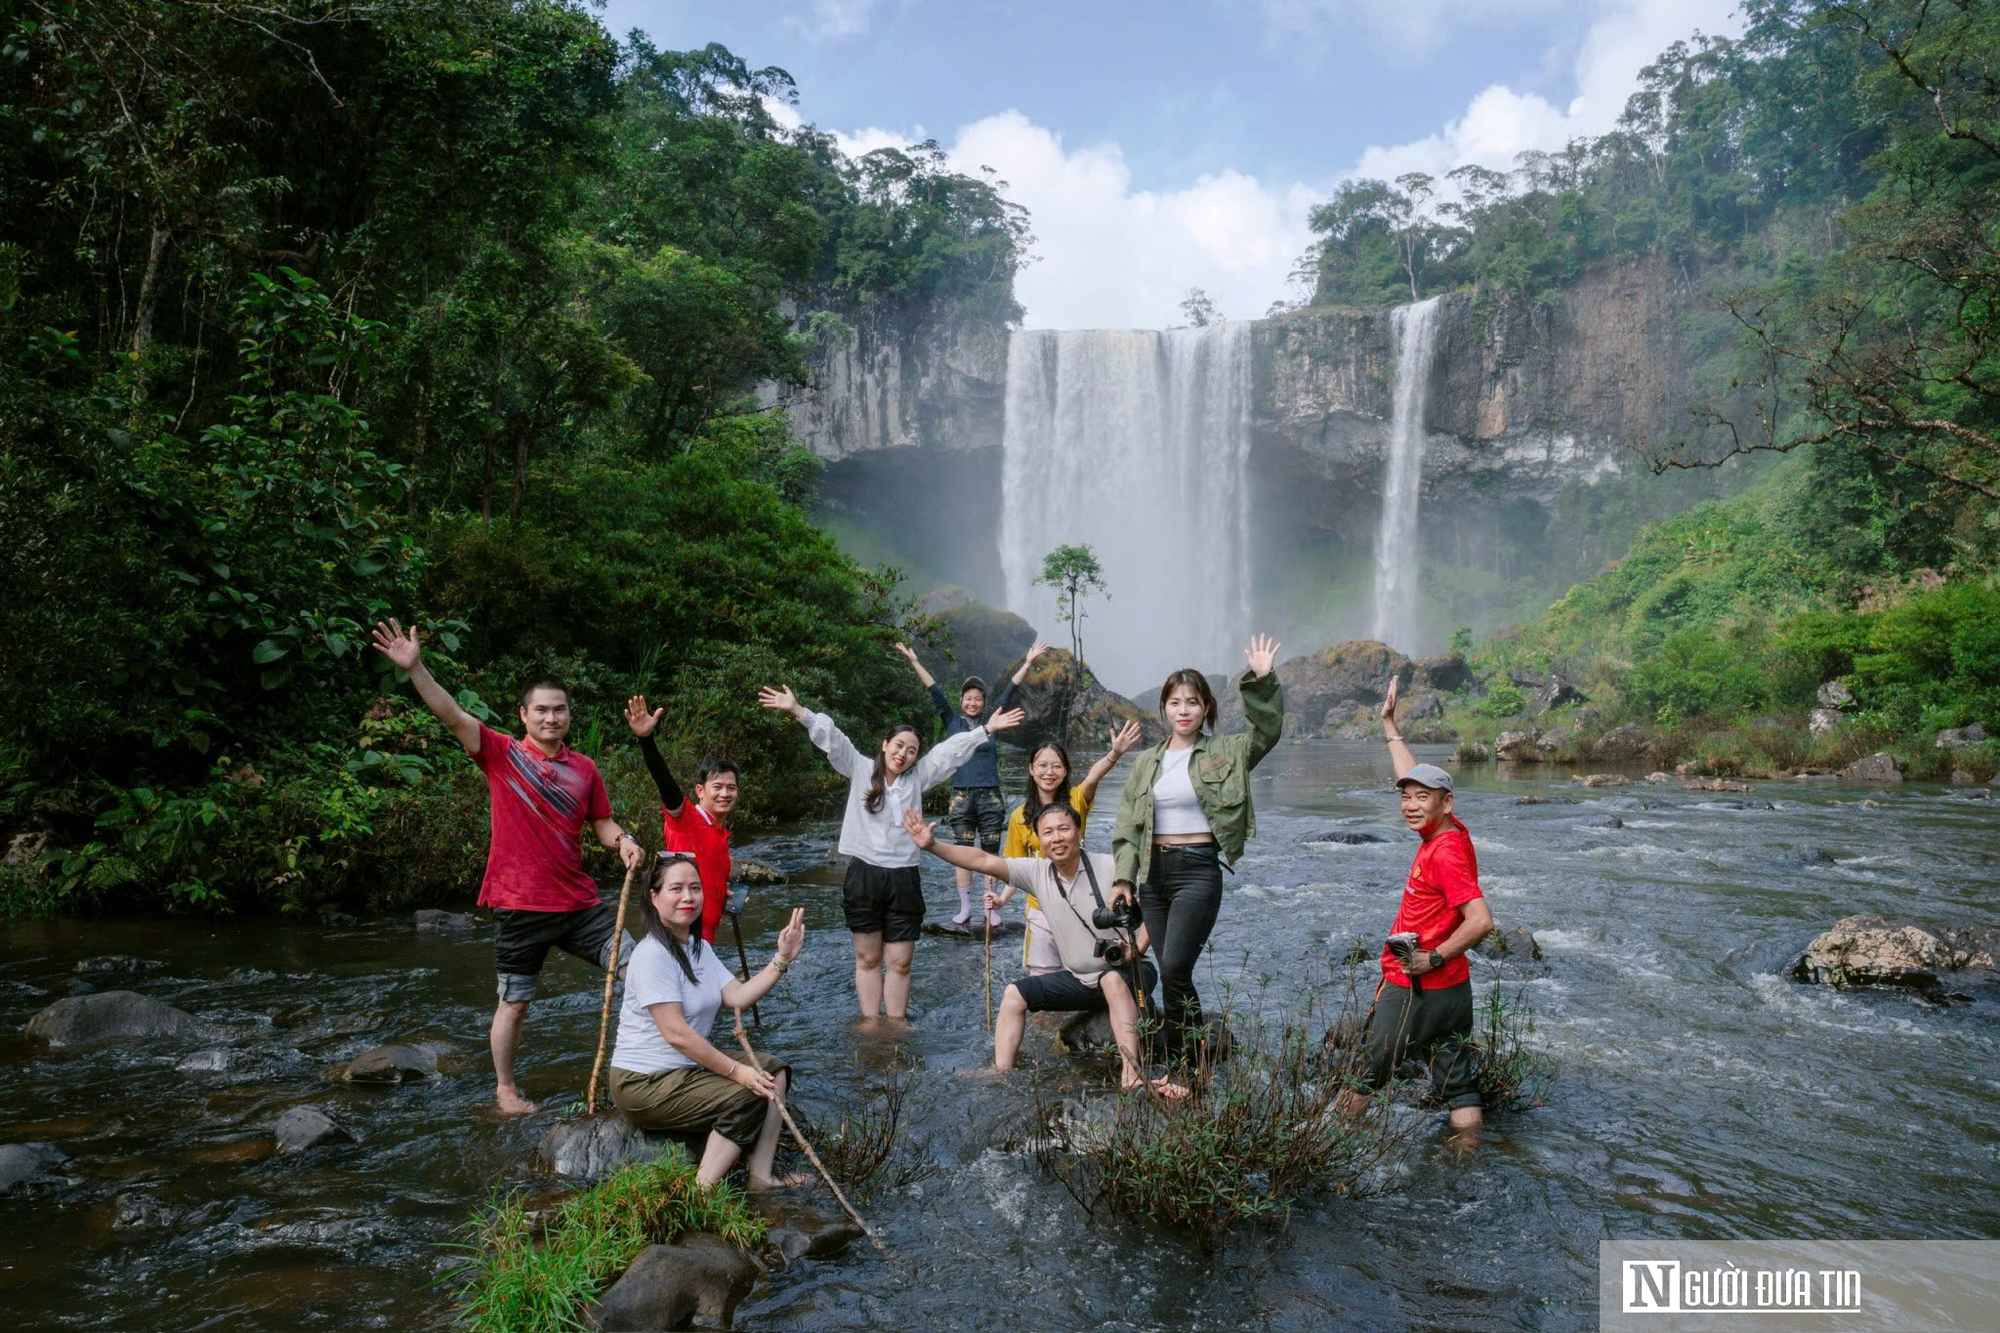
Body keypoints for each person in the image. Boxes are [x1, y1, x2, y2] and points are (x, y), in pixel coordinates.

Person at [370, 619, 647, 1115]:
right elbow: (452, 715)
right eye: (541, 710)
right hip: (520, 905)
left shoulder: (584, 768)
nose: (551, 717)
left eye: (559, 710)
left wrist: (623, 840)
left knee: (641, 970)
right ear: (523, 715)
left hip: (580, 905)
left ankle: (652, 1066)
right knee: (515, 1004)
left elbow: (601, 822)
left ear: (568, 715)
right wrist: (415, 669)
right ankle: (505, 1091)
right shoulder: (501, 754)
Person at [757, 682, 1023, 1020]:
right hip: (864, 875)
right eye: (899, 745)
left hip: (903, 879)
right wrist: (798, 710)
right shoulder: (860, 768)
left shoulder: (919, 778)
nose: (904, 754)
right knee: (868, 959)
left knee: (900, 961)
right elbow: (833, 739)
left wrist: (985, 729)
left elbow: (949, 751)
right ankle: (870, 1023)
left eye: (912, 750)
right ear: (885, 745)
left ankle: (896, 1025)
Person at [902, 804, 1185, 1097]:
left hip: (1130, 972)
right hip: (1079, 979)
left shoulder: (1111, 866)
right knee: (1014, 993)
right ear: (1038, 839)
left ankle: (1131, 1074)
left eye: (1064, 829)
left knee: (1111, 979)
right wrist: (933, 845)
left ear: (1078, 832)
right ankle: (1001, 1072)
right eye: (1047, 832)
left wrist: (1136, 949)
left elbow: (1157, 903)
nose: (1056, 838)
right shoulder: (1037, 872)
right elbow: (982, 860)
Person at [1110, 634, 1285, 1059]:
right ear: (1164, 709)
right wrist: (1122, 879)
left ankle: (1187, 1064)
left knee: (1173, 967)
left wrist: (1263, 680)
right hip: (1153, 875)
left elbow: (1266, 732)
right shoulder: (1147, 761)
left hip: (1198, 871)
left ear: (1206, 707)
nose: (1183, 710)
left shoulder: (1227, 751)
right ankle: (1187, 1063)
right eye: (1175, 702)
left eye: (1192, 702)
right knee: (1174, 976)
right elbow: (1129, 824)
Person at [1337, 675, 1491, 1133]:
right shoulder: (1450, 830)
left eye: (1421, 799)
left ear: (1447, 802)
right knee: (1459, 1086)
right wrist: (1389, 723)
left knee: (1364, 1077)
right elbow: (1415, 776)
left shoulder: (1443, 852)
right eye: (1405, 797)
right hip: (1454, 993)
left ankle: (1324, 1150)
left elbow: (1482, 920)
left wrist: (1433, 957)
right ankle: (1466, 1159)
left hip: (1415, 986)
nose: (1409, 805)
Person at [608, 853, 808, 1188]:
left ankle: (761, 1176)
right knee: (749, 1093)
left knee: (773, 1071)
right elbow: (677, 1034)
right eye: (676, 889)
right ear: (654, 898)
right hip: (643, 1082)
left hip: (684, 1071)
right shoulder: (652, 954)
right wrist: (737, 1072)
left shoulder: (697, 947)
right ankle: (703, 1190)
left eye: (695, 888)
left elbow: (738, 997)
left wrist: (781, 959)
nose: (688, 897)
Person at [894, 638, 1047, 927]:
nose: (973, 702)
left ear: (984, 703)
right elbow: (934, 690)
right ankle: (965, 907)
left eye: (978, 698)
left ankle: (991, 907)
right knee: (962, 852)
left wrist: (1027, 662)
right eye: (968, 698)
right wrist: (914, 661)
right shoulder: (952, 721)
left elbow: (1009, 691)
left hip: (990, 795)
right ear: (962, 701)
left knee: (990, 853)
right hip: (961, 796)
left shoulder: (994, 720)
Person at [1001, 722, 1144, 976]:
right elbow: (1015, 866)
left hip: (1082, 902)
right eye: (1042, 765)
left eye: (1057, 766)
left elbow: (1093, 777)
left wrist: (1115, 753)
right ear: (1031, 769)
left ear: (1066, 771)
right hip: (1041, 909)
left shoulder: (1076, 800)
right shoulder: (1019, 817)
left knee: (1092, 971)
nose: (1049, 772)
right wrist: (1001, 900)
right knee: (1042, 978)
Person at [624, 696, 739, 944]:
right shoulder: (687, 818)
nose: (725, 793)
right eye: (717, 786)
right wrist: (646, 740)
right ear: (700, 790)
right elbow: (665, 782)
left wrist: (720, 898)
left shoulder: (719, 830)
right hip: (680, 937)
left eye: (731, 788)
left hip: (703, 939)